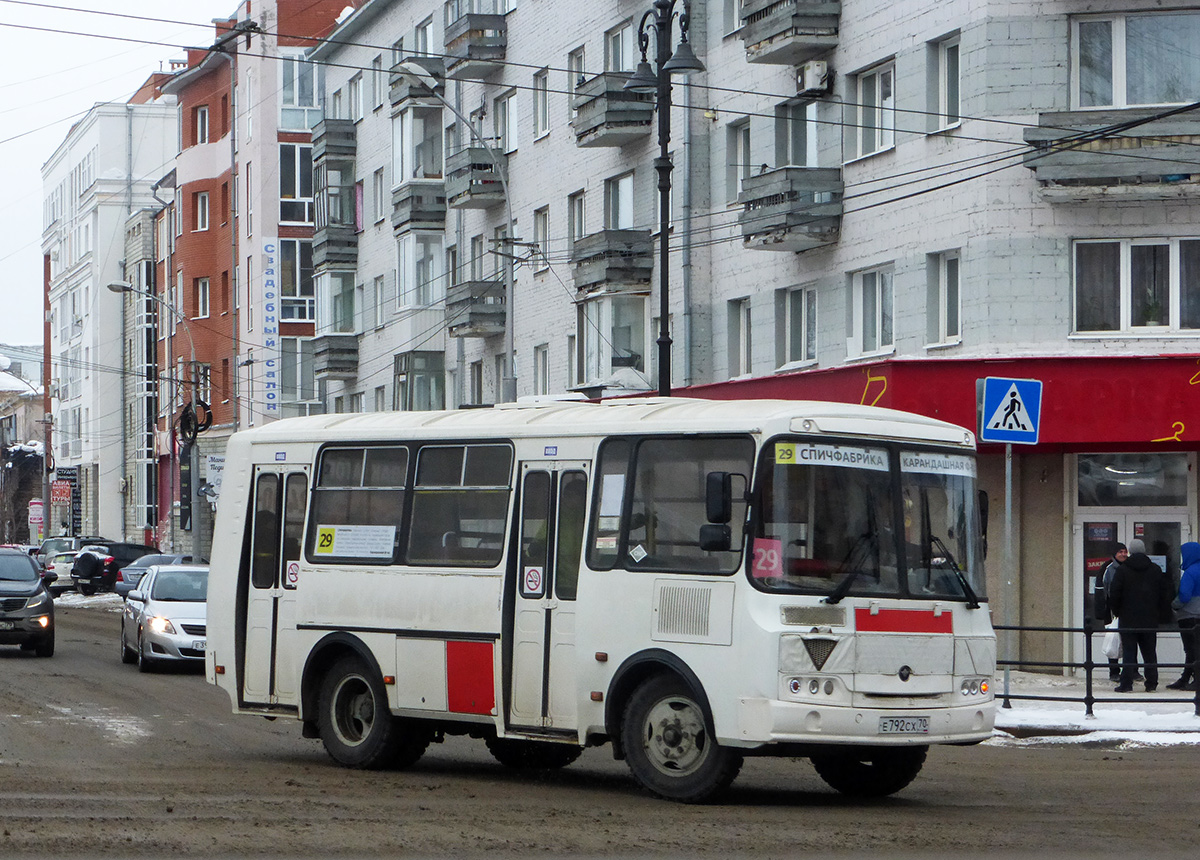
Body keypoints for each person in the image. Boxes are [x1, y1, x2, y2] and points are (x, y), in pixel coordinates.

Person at [1108, 538, 1174, 693]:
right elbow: (1164, 594)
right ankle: (1151, 683)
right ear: (1144, 550)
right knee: (1150, 652)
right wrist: (1160, 613)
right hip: (1149, 618)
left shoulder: (1123, 570)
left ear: (1130, 551)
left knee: (1129, 653)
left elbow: (1115, 594)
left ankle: (1126, 684)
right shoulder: (1155, 569)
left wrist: (1117, 612)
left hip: (1128, 618)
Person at [1165, 542, 1200, 691]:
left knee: (1191, 649)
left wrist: (1173, 605)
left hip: (1189, 615)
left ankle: (1192, 679)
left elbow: (1184, 595)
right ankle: (1187, 677)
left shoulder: (1191, 572)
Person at [1093, 542, 1127, 680]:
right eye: (1120, 552)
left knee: (1128, 640)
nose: (1123, 554)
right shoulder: (1107, 568)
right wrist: (1102, 610)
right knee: (1113, 639)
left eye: (1125, 551)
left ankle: (1131, 670)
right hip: (1111, 610)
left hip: (1126, 609)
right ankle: (1114, 671)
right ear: (1114, 553)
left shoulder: (1129, 566)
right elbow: (1100, 590)